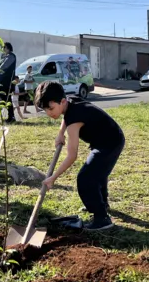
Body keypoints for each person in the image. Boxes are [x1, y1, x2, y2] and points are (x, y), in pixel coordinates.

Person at [35, 80, 125, 231]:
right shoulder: (70, 102)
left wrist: (53, 177)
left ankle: (101, 218)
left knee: (86, 178)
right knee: (98, 173)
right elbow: (65, 116)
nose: (49, 113)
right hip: (109, 138)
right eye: (45, 110)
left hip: (110, 143)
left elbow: (72, 156)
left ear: (62, 101)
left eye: (51, 108)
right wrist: (60, 133)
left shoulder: (74, 121)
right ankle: (102, 203)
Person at [0, 42, 17, 123]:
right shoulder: (3, 56)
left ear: (8, 48)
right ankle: (9, 116)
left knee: (7, 99)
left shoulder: (11, 56)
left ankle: (11, 117)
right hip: (1, 80)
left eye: (4, 47)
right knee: (3, 99)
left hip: (7, 82)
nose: (3, 49)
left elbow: (4, 66)